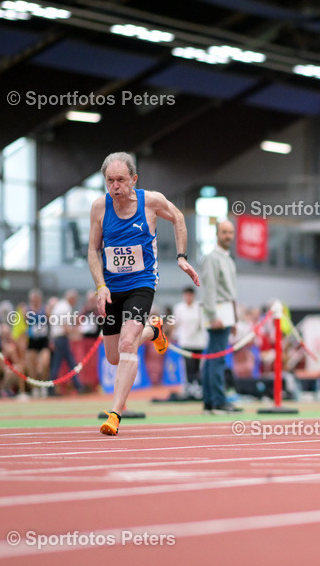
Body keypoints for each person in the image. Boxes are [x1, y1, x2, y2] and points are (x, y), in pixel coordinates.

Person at [89, 151, 199, 435]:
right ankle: (154, 331)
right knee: (113, 356)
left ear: (133, 179)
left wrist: (182, 256)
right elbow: (92, 250)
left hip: (142, 283)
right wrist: (100, 286)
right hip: (112, 288)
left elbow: (177, 217)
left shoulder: (151, 201)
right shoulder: (99, 208)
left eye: (121, 180)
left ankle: (114, 413)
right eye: (110, 180)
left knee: (128, 343)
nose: (115, 186)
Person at [200, 220, 241, 414]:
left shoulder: (228, 259)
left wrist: (234, 317)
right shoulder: (212, 258)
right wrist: (213, 315)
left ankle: (210, 401)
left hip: (226, 312)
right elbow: (209, 288)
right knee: (217, 359)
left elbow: (231, 292)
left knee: (212, 358)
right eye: (224, 232)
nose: (228, 236)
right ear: (217, 234)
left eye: (230, 233)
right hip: (217, 312)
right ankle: (218, 400)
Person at [48, 289, 85, 395]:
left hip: (58, 338)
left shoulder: (60, 305)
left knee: (63, 363)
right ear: (71, 299)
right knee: (65, 363)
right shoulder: (66, 308)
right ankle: (77, 386)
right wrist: (75, 332)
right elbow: (65, 327)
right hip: (61, 338)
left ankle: (77, 385)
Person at [172, 287, 207, 396]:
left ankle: (198, 386)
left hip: (198, 342)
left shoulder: (199, 307)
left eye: (190, 295)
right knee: (188, 365)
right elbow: (175, 323)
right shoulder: (179, 308)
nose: (188, 297)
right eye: (186, 295)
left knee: (197, 366)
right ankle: (188, 386)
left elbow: (203, 323)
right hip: (185, 342)